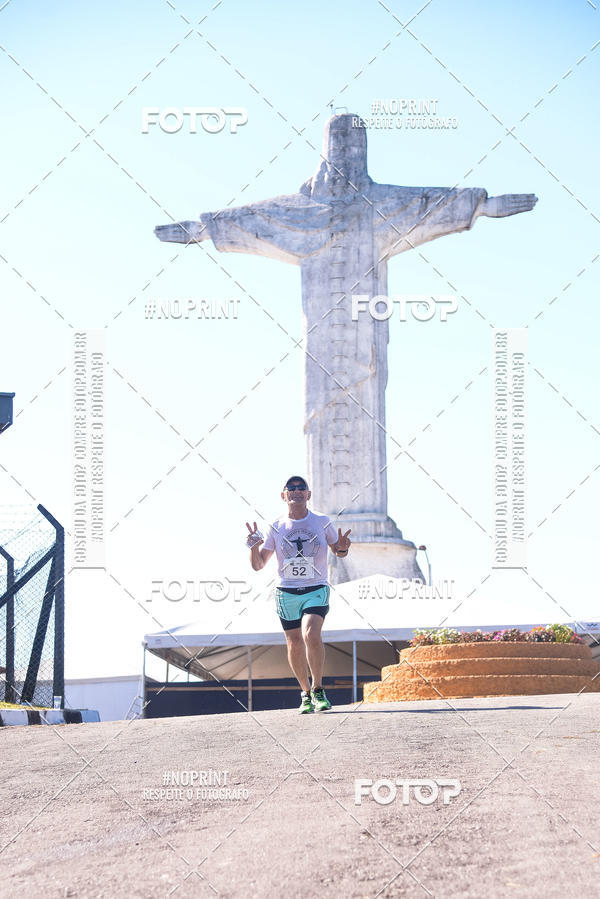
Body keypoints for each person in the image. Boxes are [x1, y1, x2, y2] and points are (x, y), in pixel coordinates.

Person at [245, 476, 351, 713]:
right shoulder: (276, 526)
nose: (296, 491)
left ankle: (318, 688)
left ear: (308, 494)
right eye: (290, 488)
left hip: (316, 588)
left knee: (311, 633)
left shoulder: (322, 522)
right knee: (293, 643)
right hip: (287, 591)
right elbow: (259, 564)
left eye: (301, 488)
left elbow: (339, 551)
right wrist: (253, 547)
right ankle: (305, 693)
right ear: (283, 496)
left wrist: (343, 546)